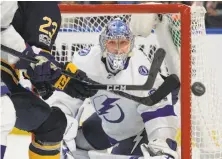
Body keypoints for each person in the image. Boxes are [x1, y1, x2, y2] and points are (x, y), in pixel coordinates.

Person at [46, 18, 179, 159]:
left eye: (123, 43)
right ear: (103, 44)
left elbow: (157, 109)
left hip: (139, 128)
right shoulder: (85, 61)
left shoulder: (142, 68)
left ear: (131, 45)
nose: (117, 49)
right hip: (108, 126)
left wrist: (161, 143)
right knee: (73, 146)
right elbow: (66, 98)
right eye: (112, 43)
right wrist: (61, 123)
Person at [1, 2, 96, 159]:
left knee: (53, 125)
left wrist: (61, 78)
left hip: (6, 80)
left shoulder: (43, 7)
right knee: (3, 112)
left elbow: (11, 40)